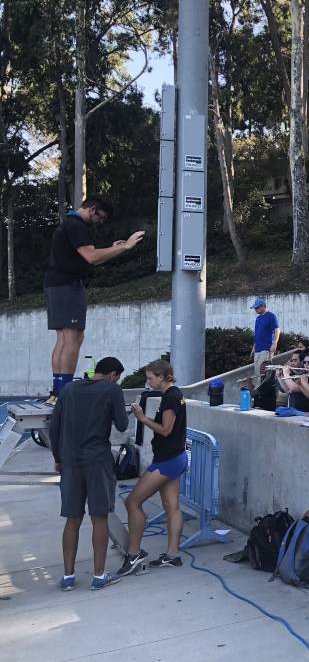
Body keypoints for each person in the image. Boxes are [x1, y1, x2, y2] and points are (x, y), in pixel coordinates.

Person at [44, 195, 144, 404]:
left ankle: (57, 392)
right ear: (93, 209)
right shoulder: (77, 226)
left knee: (64, 338)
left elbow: (89, 259)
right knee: (73, 337)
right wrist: (125, 247)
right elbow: (92, 256)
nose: (100, 222)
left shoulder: (67, 225)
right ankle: (63, 393)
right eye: (101, 217)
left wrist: (114, 248)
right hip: (69, 286)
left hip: (56, 285)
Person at [49, 356, 130, 591]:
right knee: (99, 517)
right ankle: (98, 576)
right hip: (98, 462)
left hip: (70, 462)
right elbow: (123, 425)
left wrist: (58, 459)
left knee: (72, 519)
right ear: (114, 374)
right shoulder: (112, 389)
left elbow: (54, 428)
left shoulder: (69, 389)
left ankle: (67, 577)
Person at [119, 360, 189, 575]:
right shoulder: (175, 394)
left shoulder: (170, 398)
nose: (148, 382)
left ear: (162, 376)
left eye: (150, 378)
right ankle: (173, 555)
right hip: (174, 457)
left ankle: (134, 553)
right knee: (172, 506)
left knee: (133, 501)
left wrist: (141, 418)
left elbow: (165, 430)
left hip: (167, 460)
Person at [249, 298, 281, 380]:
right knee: (256, 372)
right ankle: (258, 391)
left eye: (257, 307)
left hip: (266, 349)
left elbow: (277, 330)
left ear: (263, 306)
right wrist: (254, 347)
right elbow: (257, 334)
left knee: (262, 372)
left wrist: (275, 343)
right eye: (255, 308)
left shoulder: (271, 316)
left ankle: (262, 391)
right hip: (258, 349)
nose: (256, 309)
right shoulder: (258, 318)